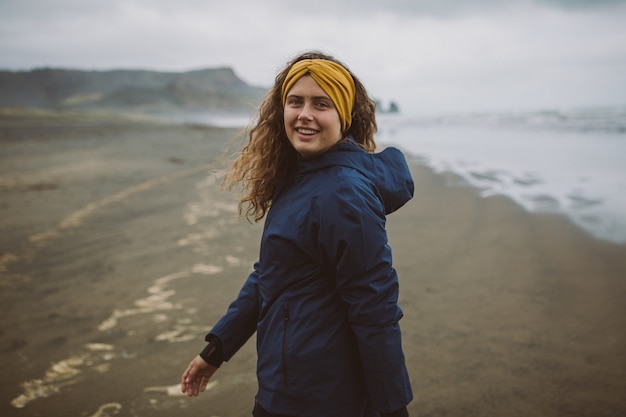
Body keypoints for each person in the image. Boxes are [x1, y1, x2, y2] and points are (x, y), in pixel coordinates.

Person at [180, 51, 414, 417]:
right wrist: (218, 347)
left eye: (321, 104)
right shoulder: (300, 177)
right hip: (286, 382)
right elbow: (271, 274)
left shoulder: (342, 194)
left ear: (344, 116)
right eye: (295, 102)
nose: (304, 114)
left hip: (320, 397)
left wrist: (393, 408)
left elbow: (374, 308)